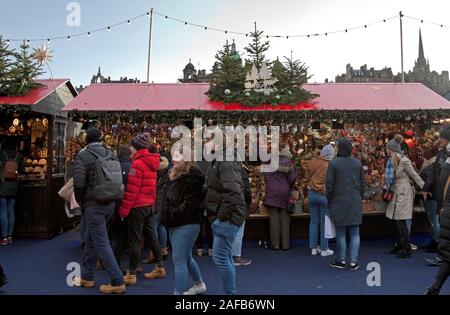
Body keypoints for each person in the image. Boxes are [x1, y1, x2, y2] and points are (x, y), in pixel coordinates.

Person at [72, 128, 125, 294]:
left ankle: (117, 280)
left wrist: (81, 201)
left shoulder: (83, 155)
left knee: (101, 242)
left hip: (93, 204)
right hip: (110, 202)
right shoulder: (110, 153)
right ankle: (87, 277)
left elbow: (79, 183)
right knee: (92, 239)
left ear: (86, 139)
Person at [119, 133, 165, 286]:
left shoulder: (137, 164)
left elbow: (132, 191)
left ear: (136, 147)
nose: (130, 148)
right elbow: (152, 188)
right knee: (151, 235)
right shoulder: (151, 162)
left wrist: (123, 211)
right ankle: (159, 266)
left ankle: (132, 273)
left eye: (132, 146)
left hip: (137, 206)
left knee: (134, 239)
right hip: (147, 205)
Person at [160, 152, 206, 295]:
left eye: (178, 156)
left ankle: (178, 293)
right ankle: (199, 284)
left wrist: (174, 212)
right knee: (185, 257)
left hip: (187, 222)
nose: (174, 159)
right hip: (174, 221)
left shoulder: (194, 178)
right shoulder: (172, 174)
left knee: (179, 260)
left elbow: (191, 203)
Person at [205, 147, 247, 295]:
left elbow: (232, 191)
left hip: (227, 217)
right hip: (225, 215)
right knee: (225, 256)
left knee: (220, 257)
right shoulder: (219, 159)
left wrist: (221, 217)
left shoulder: (225, 159)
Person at [327, 138, 365, 271]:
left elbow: (329, 185)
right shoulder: (357, 163)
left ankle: (341, 260)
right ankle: (354, 262)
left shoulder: (334, 164)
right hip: (354, 200)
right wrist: (360, 196)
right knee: (355, 233)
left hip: (339, 201)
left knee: (341, 233)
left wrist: (330, 200)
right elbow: (362, 184)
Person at [385, 135, 424, 258]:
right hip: (395, 192)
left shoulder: (404, 161)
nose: (386, 151)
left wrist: (425, 188)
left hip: (403, 193)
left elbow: (414, 175)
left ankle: (406, 248)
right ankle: (400, 245)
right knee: (394, 220)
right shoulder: (391, 162)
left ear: (392, 150)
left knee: (401, 221)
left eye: (388, 149)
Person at [425, 143, 450, 294]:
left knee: (448, 257)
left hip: (446, 212)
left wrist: (442, 207)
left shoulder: (445, 167)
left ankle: (435, 287)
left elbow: (441, 187)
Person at [263, 146, 297, 250]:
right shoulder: (289, 164)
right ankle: (285, 244)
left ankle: (275, 245)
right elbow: (292, 178)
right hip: (284, 191)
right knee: (285, 218)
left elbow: (264, 173)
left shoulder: (271, 161)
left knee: (273, 218)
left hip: (272, 191)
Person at [306, 144, 335, 257]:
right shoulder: (329, 165)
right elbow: (331, 182)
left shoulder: (312, 162)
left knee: (313, 222)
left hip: (311, 194)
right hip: (323, 195)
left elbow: (307, 177)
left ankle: (313, 248)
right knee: (325, 223)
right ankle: (324, 249)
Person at [143, 155, 170, 263]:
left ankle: (153, 253)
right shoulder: (167, 172)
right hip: (163, 202)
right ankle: (163, 249)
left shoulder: (152, 171)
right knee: (161, 226)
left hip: (153, 201)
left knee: (152, 227)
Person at [110, 145, 132, 273]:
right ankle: (133, 266)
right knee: (130, 236)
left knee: (115, 236)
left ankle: (114, 264)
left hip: (114, 205)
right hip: (129, 205)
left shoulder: (113, 166)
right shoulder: (133, 167)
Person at [0, 138, 24, 245]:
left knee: (3, 211)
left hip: (2, 185)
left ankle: (4, 237)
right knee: (11, 210)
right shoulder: (19, 156)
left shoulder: (1, 154)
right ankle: (10, 236)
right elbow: (22, 171)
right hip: (14, 185)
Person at [420, 146, 440, 253]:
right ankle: (434, 241)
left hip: (431, 197)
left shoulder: (430, 168)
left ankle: (436, 243)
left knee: (434, 221)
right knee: (434, 220)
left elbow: (427, 181)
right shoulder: (438, 167)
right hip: (435, 197)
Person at [232, 162, 253, 266]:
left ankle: (226, 255)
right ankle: (236, 256)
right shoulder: (241, 171)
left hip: (226, 203)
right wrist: (248, 202)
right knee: (239, 231)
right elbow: (247, 191)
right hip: (239, 203)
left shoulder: (222, 168)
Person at [195, 159, 214, 257]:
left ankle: (199, 248)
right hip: (210, 201)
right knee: (210, 226)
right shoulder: (213, 164)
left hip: (199, 201)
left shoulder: (196, 164)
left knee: (199, 225)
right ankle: (211, 248)